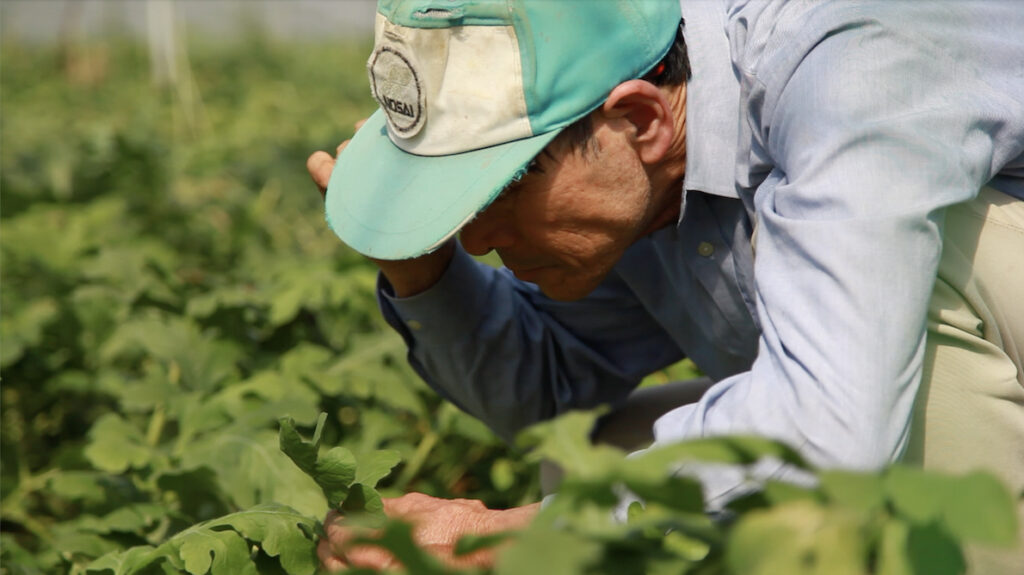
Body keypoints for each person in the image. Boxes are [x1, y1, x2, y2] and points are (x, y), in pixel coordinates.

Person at [306, 0, 1024, 572]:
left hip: (876, 405)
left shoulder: (848, 65)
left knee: (925, 277)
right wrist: (420, 271)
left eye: (502, 188)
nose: (476, 237)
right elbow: (550, 385)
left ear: (639, 120)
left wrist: (506, 538)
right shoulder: (644, 175)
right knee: (596, 450)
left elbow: (834, 425)